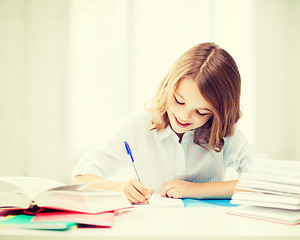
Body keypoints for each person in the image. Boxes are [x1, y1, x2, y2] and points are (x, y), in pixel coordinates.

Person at [72, 42, 261, 204]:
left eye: (201, 112)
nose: (184, 116)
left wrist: (195, 190)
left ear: (218, 113)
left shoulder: (225, 135)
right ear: (168, 87)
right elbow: (80, 178)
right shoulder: (135, 127)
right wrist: (120, 188)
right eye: (179, 101)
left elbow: (264, 182)